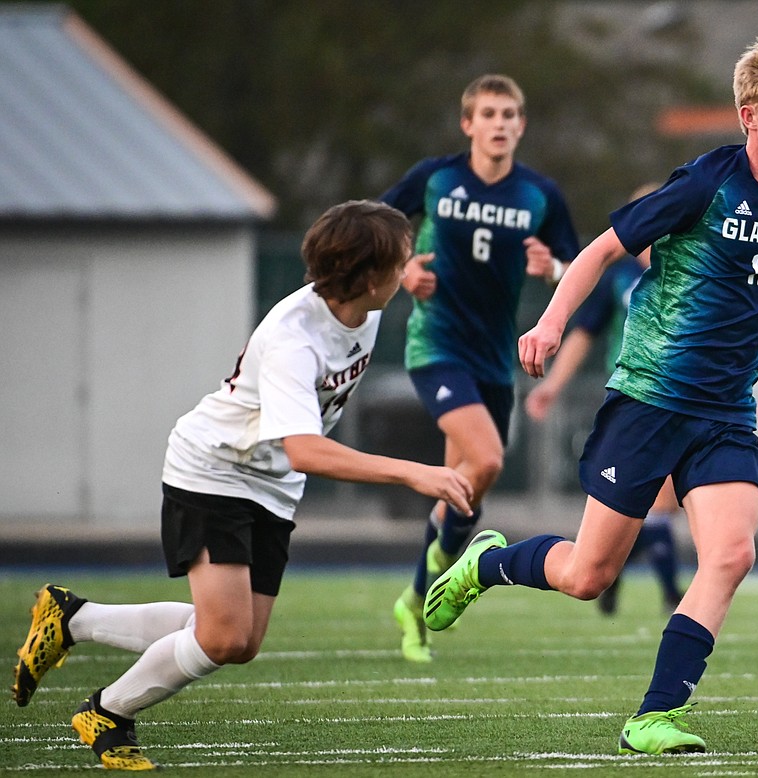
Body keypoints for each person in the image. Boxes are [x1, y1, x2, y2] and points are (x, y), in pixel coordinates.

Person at [425, 32, 758, 755]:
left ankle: (655, 713)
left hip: (724, 417)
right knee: (589, 575)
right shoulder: (704, 183)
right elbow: (601, 251)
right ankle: (489, 562)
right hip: (650, 402)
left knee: (731, 555)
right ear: (750, 116)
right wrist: (551, 323)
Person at [10, 200, 474, 771]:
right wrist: (411, 470)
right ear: (368, 277)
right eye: (400, 263)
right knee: (223, 637)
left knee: (240, 640)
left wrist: (423, 274)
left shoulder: (364, 302)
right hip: (213, 471)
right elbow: (305, 448)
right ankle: (107, 711)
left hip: (271, 484)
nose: (408, 271)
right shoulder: (294, 339)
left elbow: (294, 454)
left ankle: (71, 617)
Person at [378, 74, 579, 663]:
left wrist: (553, 269)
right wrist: (402, 272)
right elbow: (373, 233)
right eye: (488, 113)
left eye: (509, 114)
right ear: (468, 124)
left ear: (521, 124)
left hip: (496, 358)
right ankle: (445, 562)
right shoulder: (437, 179)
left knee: (461, 488)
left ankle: (415, 601)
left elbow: (578, 268)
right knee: (488, 459)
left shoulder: (540, 195)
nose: (499, 123)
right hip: (437, 346)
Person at [524, 183, 684, 616]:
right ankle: (665, 592)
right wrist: (552, 386)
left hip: (690, 402)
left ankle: (629, 580)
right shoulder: (620, 278)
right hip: (635, 398)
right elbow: (584, 332)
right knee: (647, 505)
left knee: (657, 505)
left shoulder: (694, 272)